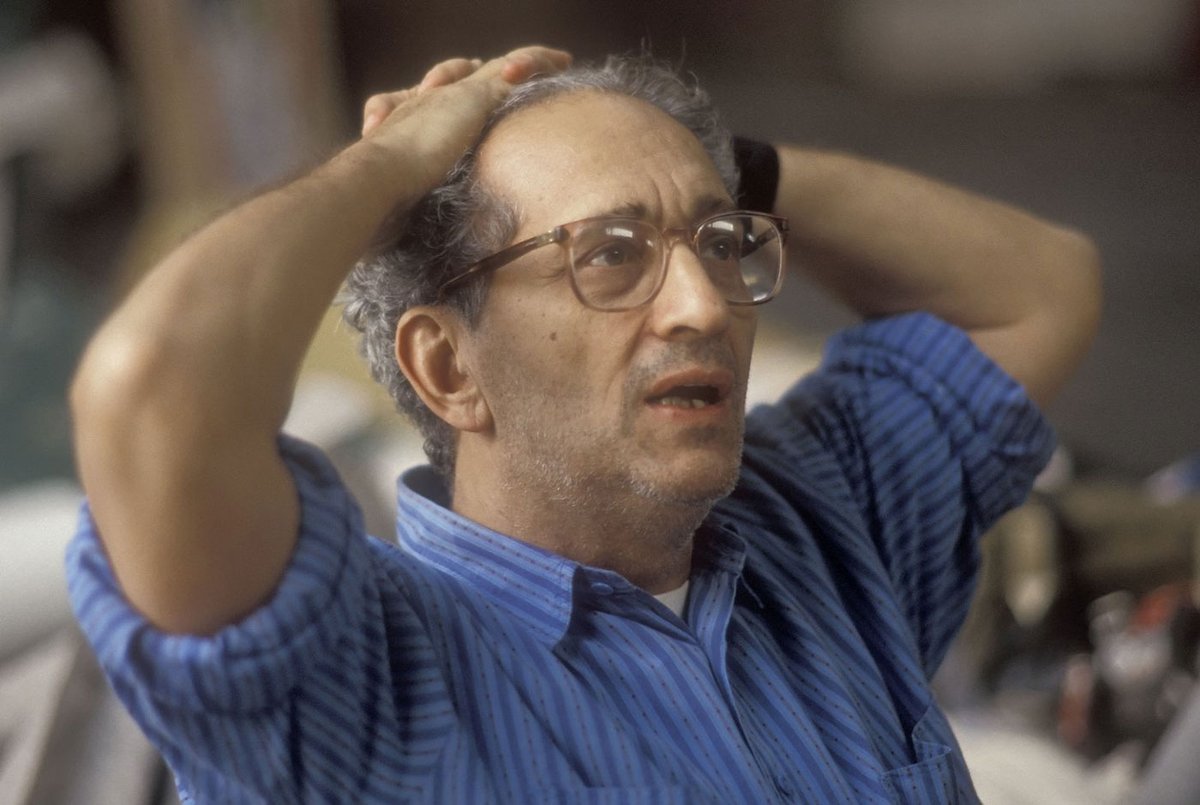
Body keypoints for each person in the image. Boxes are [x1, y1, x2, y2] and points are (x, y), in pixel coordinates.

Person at [66, 45, 1101, 803]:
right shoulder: (365, 672)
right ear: (448, 367)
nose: (703, 305)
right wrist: (388, 171)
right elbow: (151, 392)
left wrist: (720, 168)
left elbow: (1039, 287)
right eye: (612, 253)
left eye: (718, 241)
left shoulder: (814, 520)